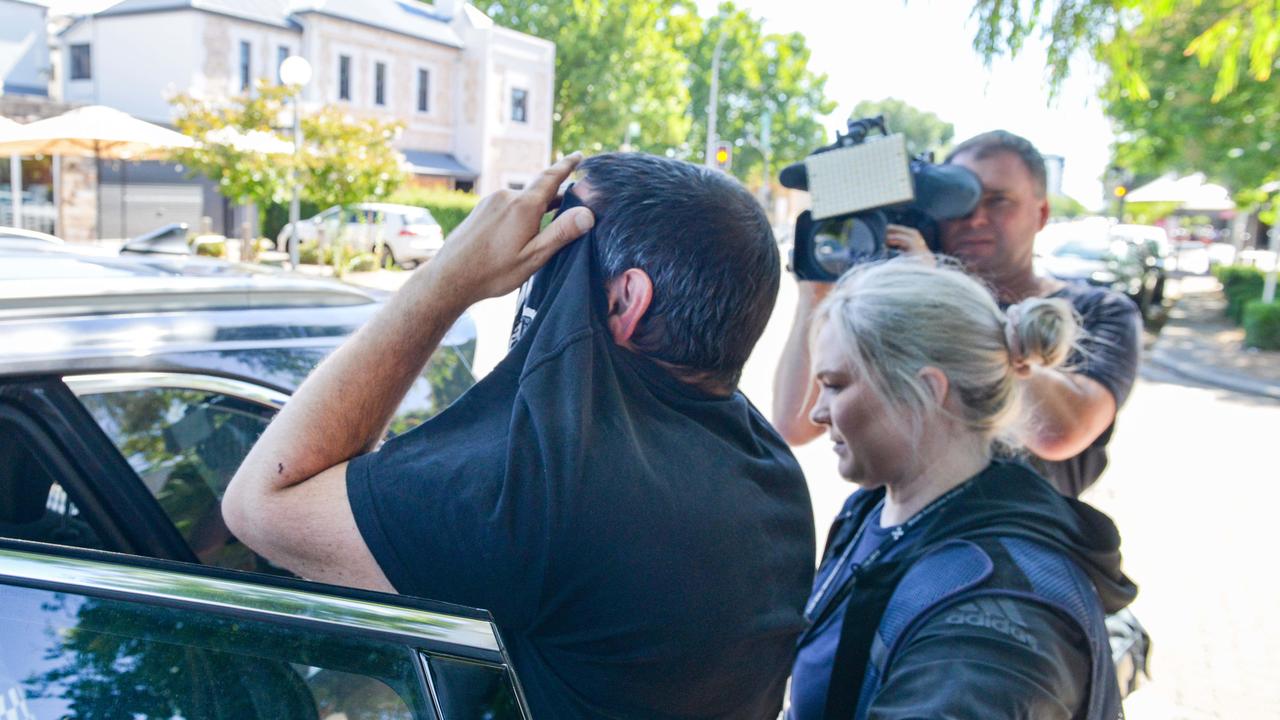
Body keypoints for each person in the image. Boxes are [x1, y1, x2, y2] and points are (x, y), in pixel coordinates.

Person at [221, 152, 816, 719]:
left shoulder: (539, 494)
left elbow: (261, 503)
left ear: (625, 299)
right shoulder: (771, 471)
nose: (540, 265)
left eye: (557, 245)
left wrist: (449, 277)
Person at [788, 258, 1136, 720]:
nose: (817, 412)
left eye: (835, 385)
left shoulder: (997, 620)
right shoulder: (877, 509)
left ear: (928, 390)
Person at [775, 130, 1142, 497]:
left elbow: (1062, 433)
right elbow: (794, 424)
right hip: (902, 530)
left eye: (998, 201)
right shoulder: (898, 298)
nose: (975, 218)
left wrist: (935, 295)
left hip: (1015, 539)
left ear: (1041, 212)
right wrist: (818, 285)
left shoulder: (1101, 311)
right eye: (959, 204)